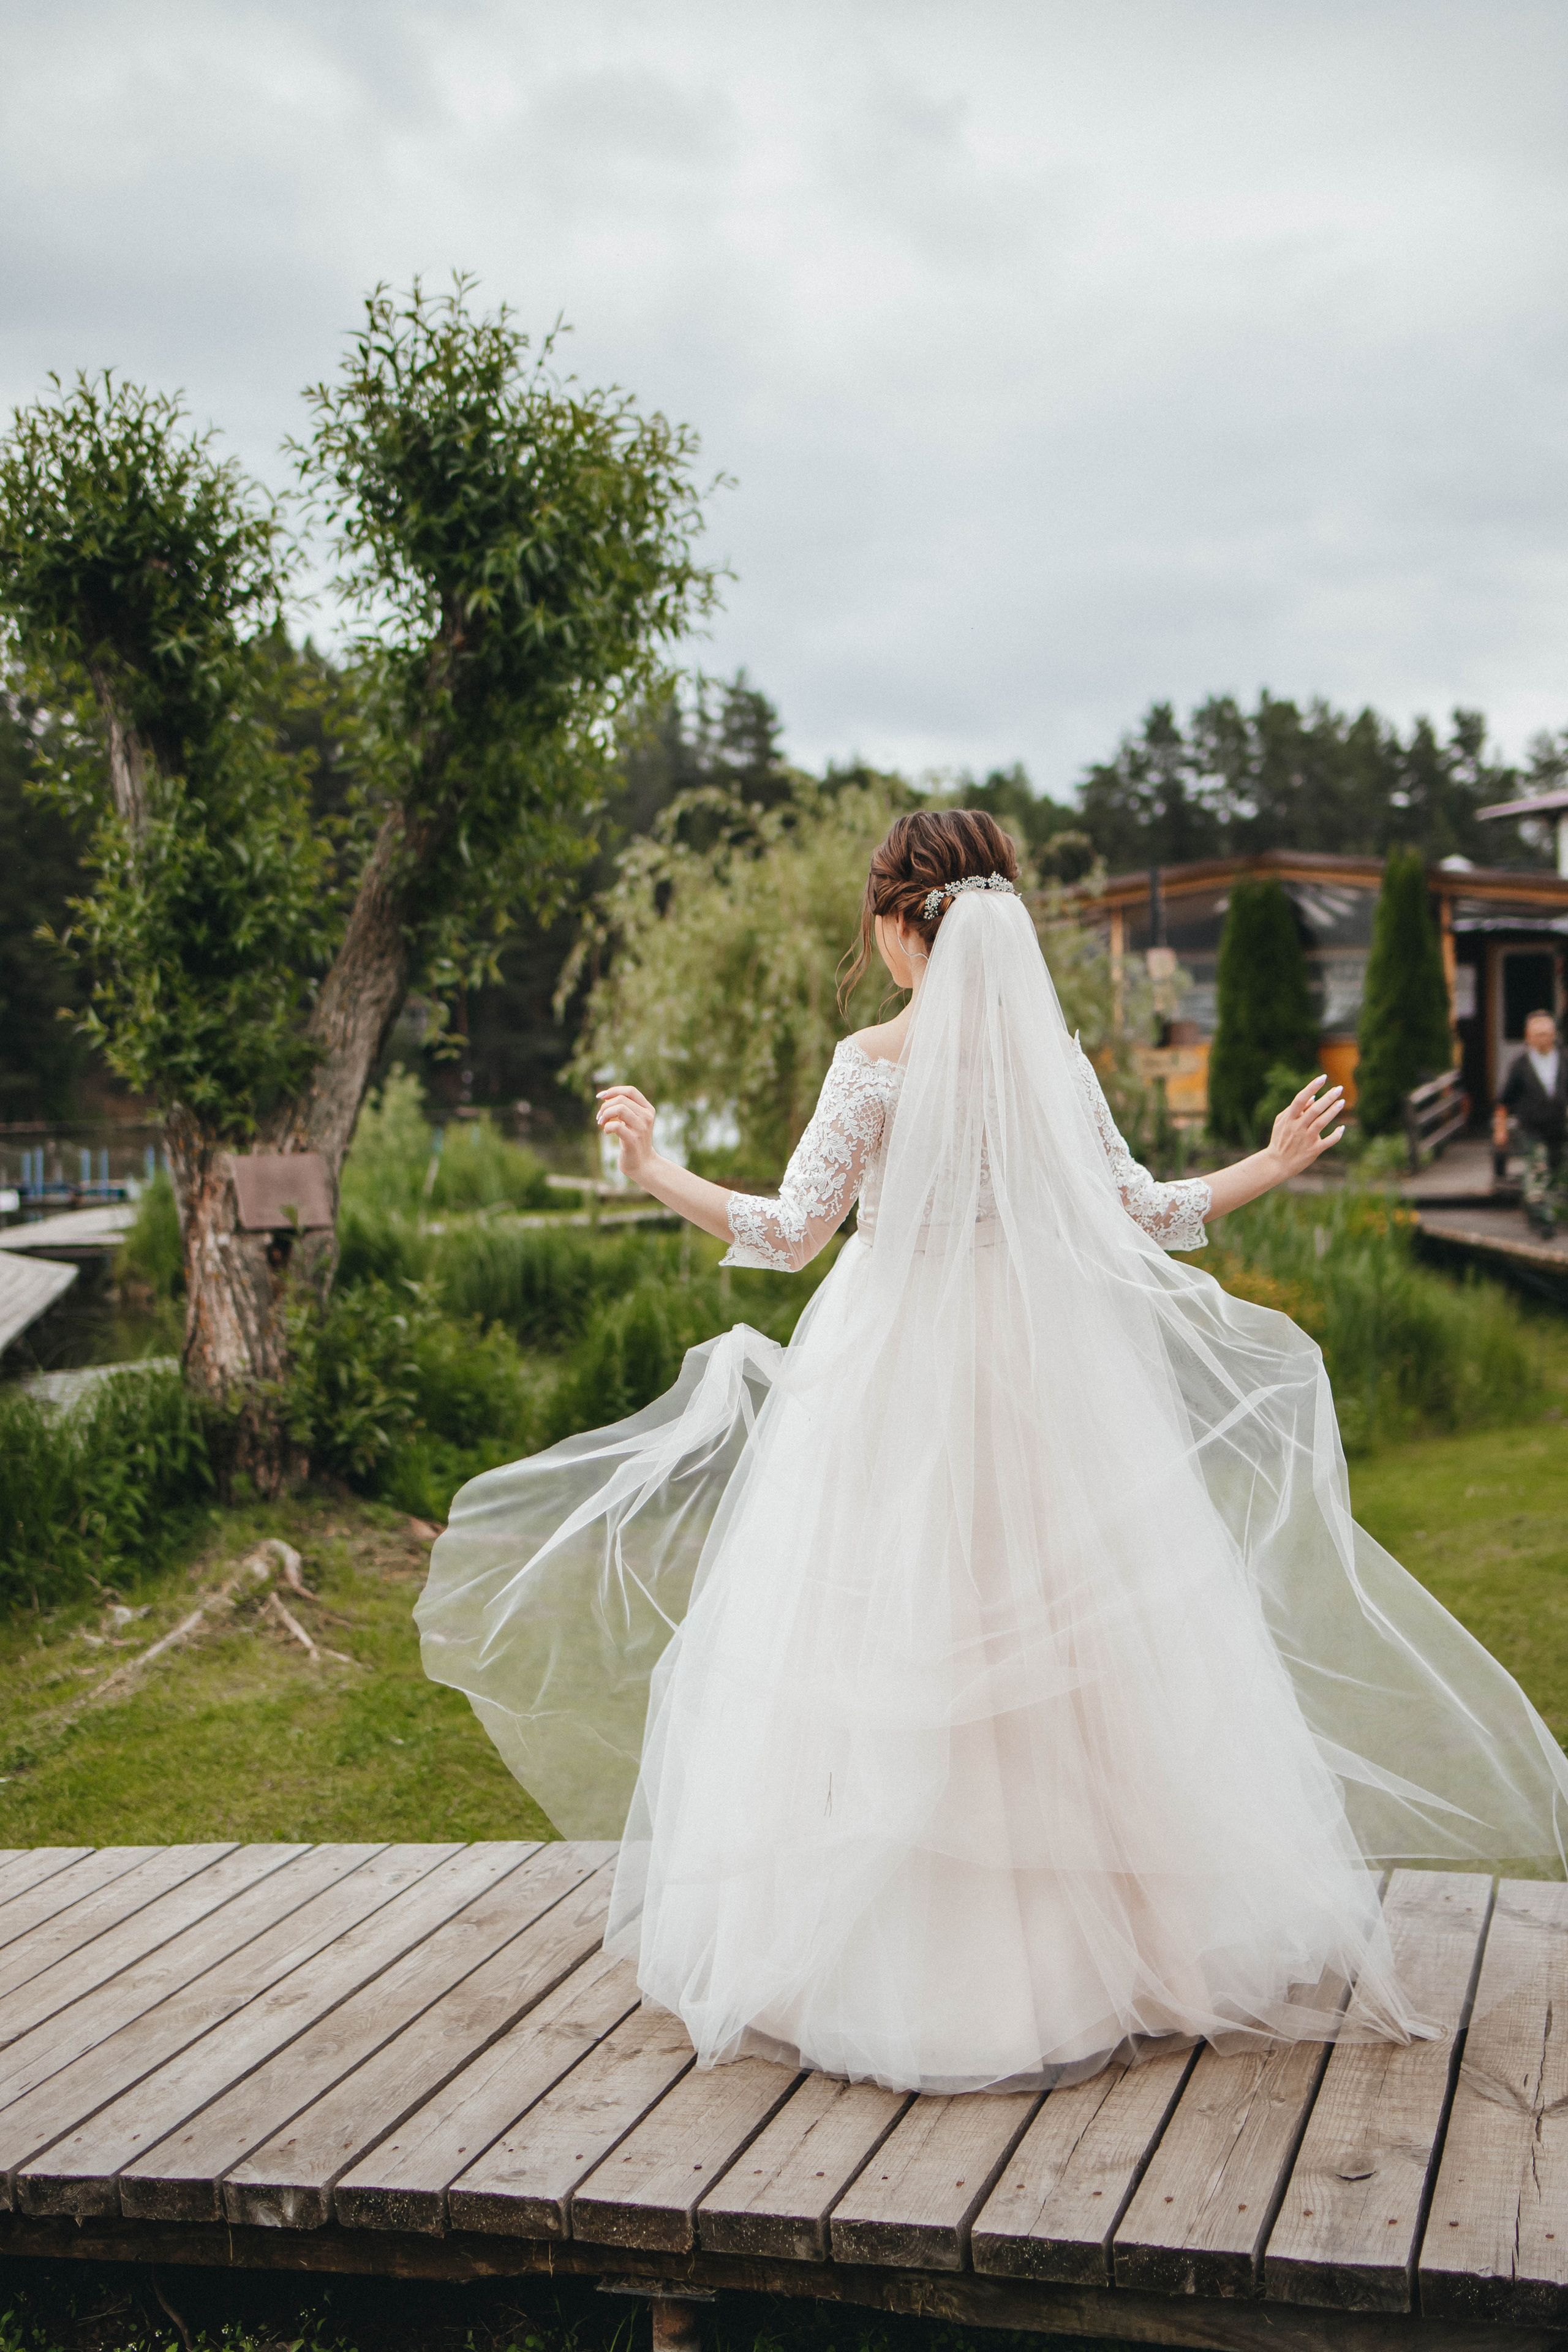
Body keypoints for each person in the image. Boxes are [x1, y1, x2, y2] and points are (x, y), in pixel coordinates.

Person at [418, 812, 1568, 2096]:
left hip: (891, 1376)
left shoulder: (871, 1064)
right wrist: (1267, 1163)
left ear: (897, 925)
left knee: (891, 1642)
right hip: (1043, 1378)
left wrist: (651, 1167)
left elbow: (793, 1233)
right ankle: (1106, 1954)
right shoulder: (1047, 1061)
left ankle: (922, 1967)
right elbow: (1143, 1212)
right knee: (1073, 1652)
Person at [1493, 1006, 1568, 1237]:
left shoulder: (1564, 1060)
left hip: (1559, 1129)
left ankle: (1537, 1207)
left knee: (1554, 1173)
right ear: (1528, 1037)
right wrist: (1501, 1129)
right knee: (1538, 1169)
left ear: (1554, 1034)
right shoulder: (1520, 1065)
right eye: (1538, 1035)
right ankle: (1543, 1222)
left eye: (1547, 1034)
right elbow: (1504, 1101)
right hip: (1532, 1129)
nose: (1543, 1039)